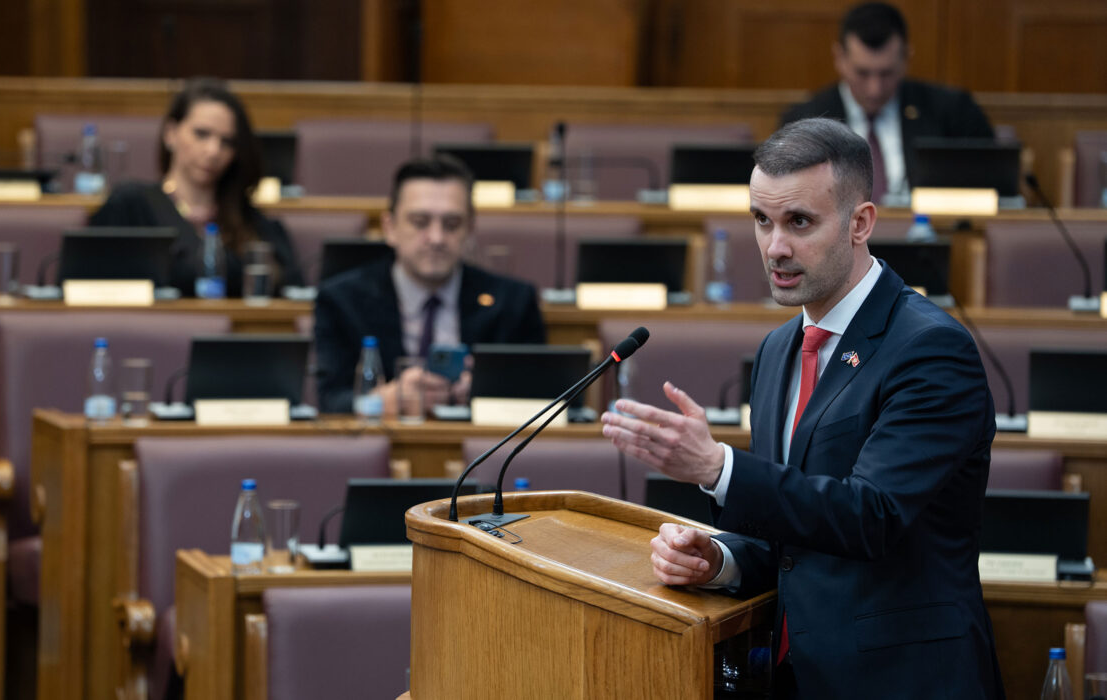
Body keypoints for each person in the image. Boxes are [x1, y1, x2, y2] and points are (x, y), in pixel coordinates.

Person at [601, 118, 1003, 698]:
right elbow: (792, 537)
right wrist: (721, 560)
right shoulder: (779, 348)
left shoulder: (930, 348)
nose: (775, 247)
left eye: (799, 222)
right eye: (762, 221)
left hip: (905, 680)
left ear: (860, 222)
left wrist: (719, 470)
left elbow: (872, 517)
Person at [314, 156, 545, 415]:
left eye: (452, 224)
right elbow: (329, 402)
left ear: (470, 229)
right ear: (390, 227)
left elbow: (541, 400)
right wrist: (382, 401)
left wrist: (486, 394)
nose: (436, 238)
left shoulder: (513, 302)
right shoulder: (342, 300)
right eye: (420, 222)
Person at [90, 78, 302, 298]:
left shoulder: (249, 220)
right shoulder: (131, 205)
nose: (213, 151)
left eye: (227, 142)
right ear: (171, 133)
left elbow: (292, 292)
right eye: (202, 134)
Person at [780, 2, 993, 203]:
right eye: (862, 73)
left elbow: (991, 187)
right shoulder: (804, 122)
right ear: (839, 58)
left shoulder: (952, 112)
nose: (875, 89)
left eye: (886, 73)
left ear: (906, 59)